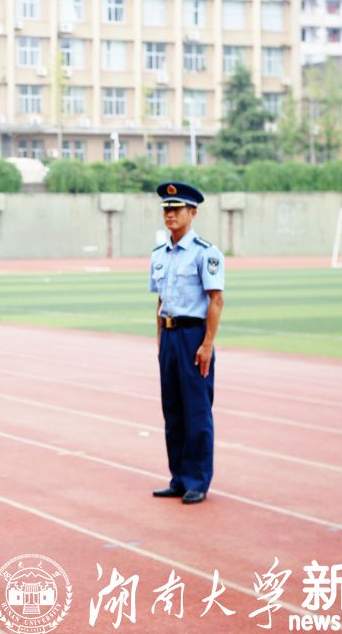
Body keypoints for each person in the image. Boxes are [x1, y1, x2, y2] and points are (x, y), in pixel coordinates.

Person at [149, 181, 225, 506]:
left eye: (177, 209)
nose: (170, 214)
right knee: (173, 411)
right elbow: (159, 302)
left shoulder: (205, 253)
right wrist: (159, 342)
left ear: (192, 213)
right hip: (169, 337)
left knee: (196, 411)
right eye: (167, 209)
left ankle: (197, 481)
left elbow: (216, 300)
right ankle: (179, 478)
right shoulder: (159, 255)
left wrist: (207, 344)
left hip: (194, 336)